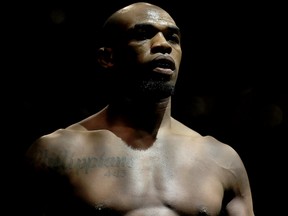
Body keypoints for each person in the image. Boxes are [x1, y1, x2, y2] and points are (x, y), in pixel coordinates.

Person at [25, 2, 255, 215]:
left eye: (173, 38)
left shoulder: (221, 160)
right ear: (108, 57)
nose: (163, 45)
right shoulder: (58, 152)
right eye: (144, 35)